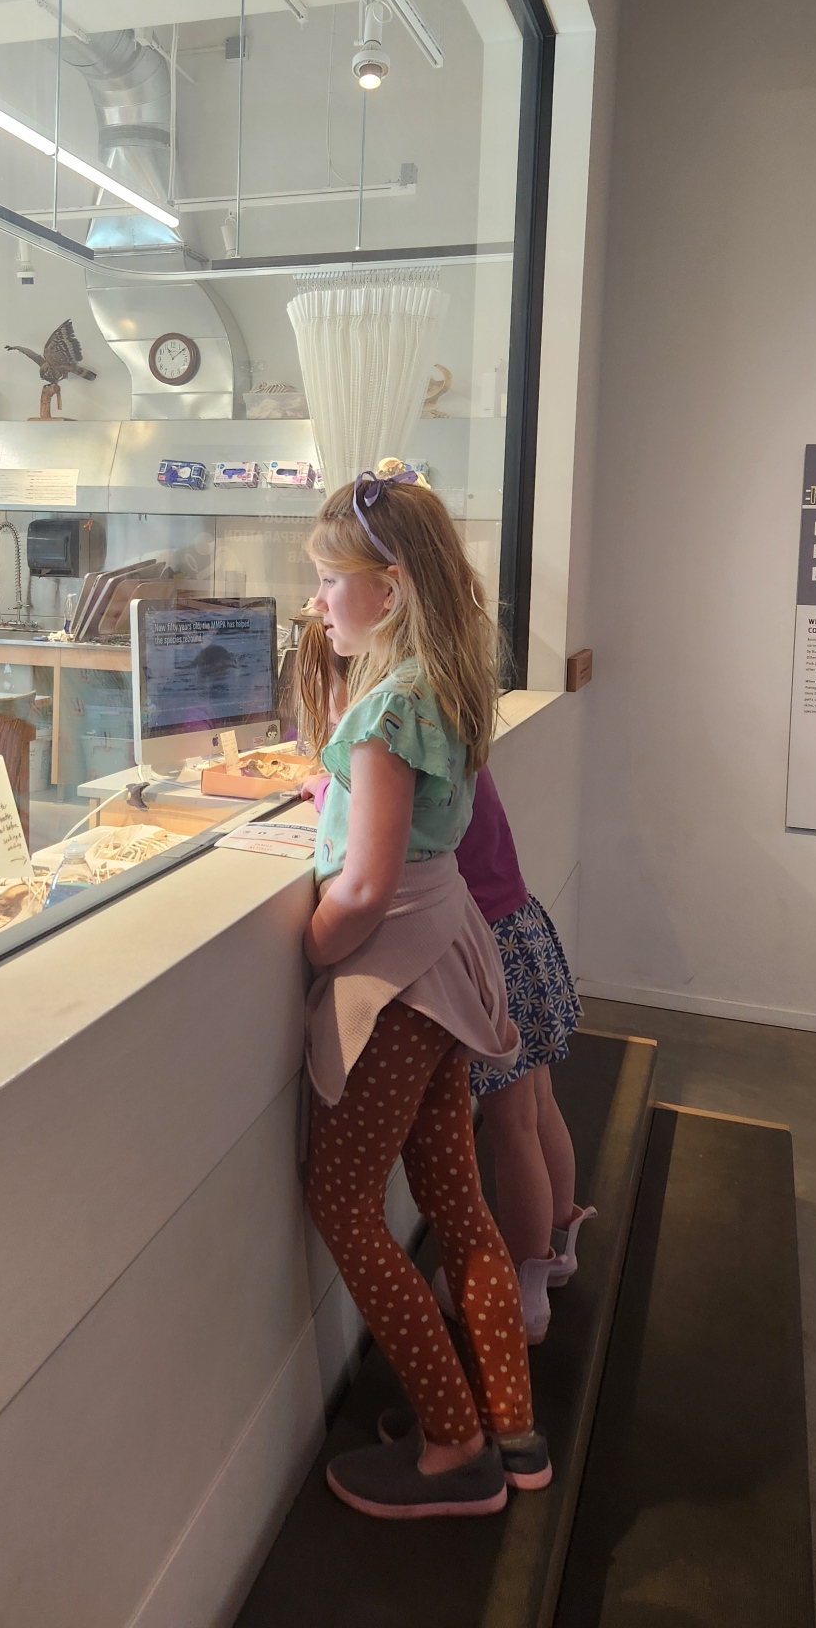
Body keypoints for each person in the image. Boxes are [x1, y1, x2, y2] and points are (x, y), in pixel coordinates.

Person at [294, 468, 551, 1520]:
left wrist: (310, 948)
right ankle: (515, 1431)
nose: (317, 600)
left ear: (389, 589)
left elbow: (364, 885)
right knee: (457, 1199)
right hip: (450, 962)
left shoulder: (386, 710)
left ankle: (453, 1444)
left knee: (344, 1201)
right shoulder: (445, 683)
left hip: (395, 980)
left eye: (329, 580)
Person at [446, 769, 594, 1344]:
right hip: (518, 930)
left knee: (512, 1128)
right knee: (538, 1106)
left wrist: (330, 788)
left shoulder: (417, 746)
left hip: (488, 950)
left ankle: (524, 1293)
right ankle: (559, 1242)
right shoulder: (463, 742)